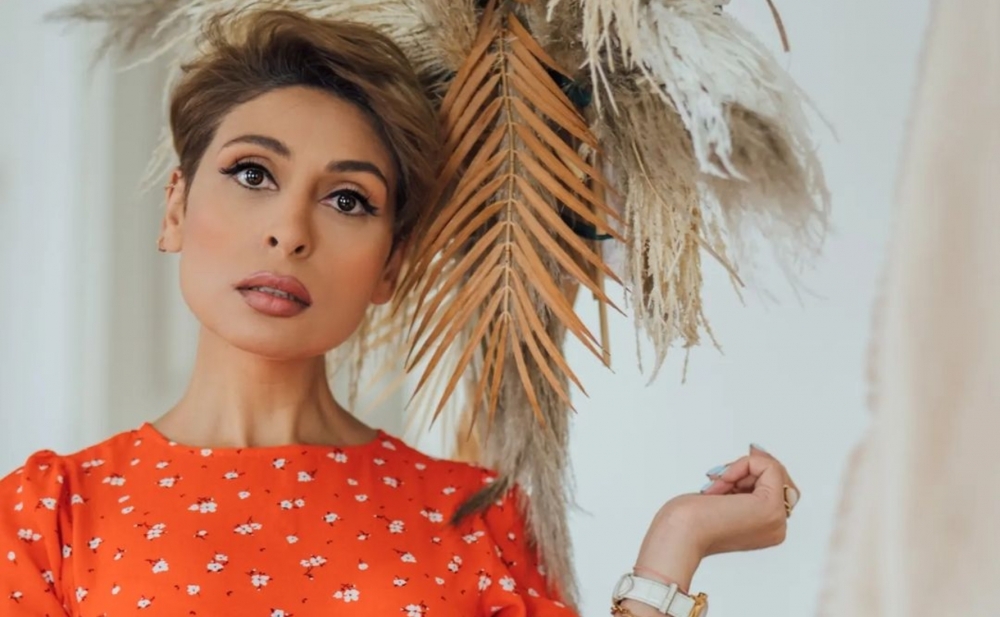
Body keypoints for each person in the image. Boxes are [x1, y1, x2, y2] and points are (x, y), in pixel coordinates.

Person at [0, 10, 800, 616]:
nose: (290, 230)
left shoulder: (475, 515)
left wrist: (676, 543)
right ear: (176, 206)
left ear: (390, 262)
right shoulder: (50, 514)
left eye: (349, 198)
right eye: (252, 174)